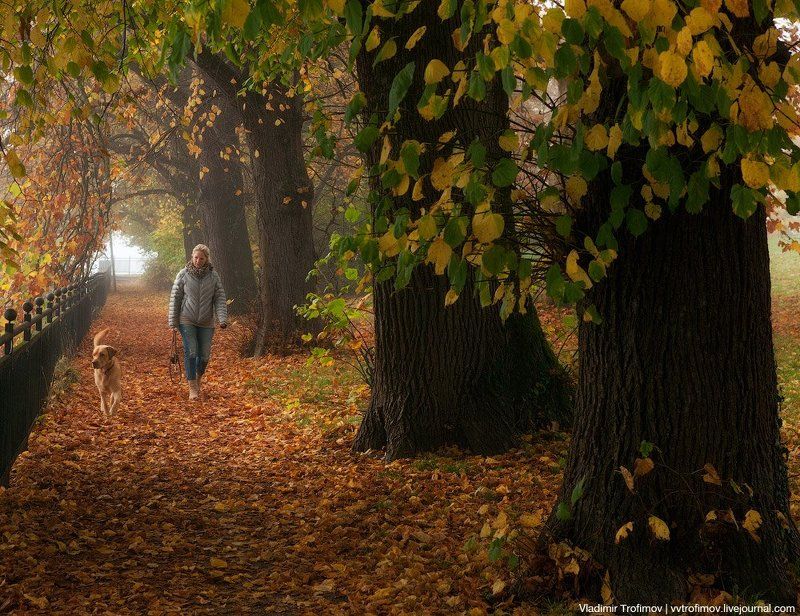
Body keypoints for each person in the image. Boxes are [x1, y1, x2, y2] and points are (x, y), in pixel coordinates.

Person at [168, 244, 228, 400]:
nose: (198, 261)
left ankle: (197, 376)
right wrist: (173, 322)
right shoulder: (183, 274)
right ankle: (193, 388)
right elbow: (176, 298)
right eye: (195, 257)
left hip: (206, 321)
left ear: (207, 259)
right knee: (191, 351)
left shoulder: (213, 276)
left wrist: (222, 319)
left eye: (201, 258)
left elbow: (220, 298)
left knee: (205, 355)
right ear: (192, 257)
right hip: (186, 319)